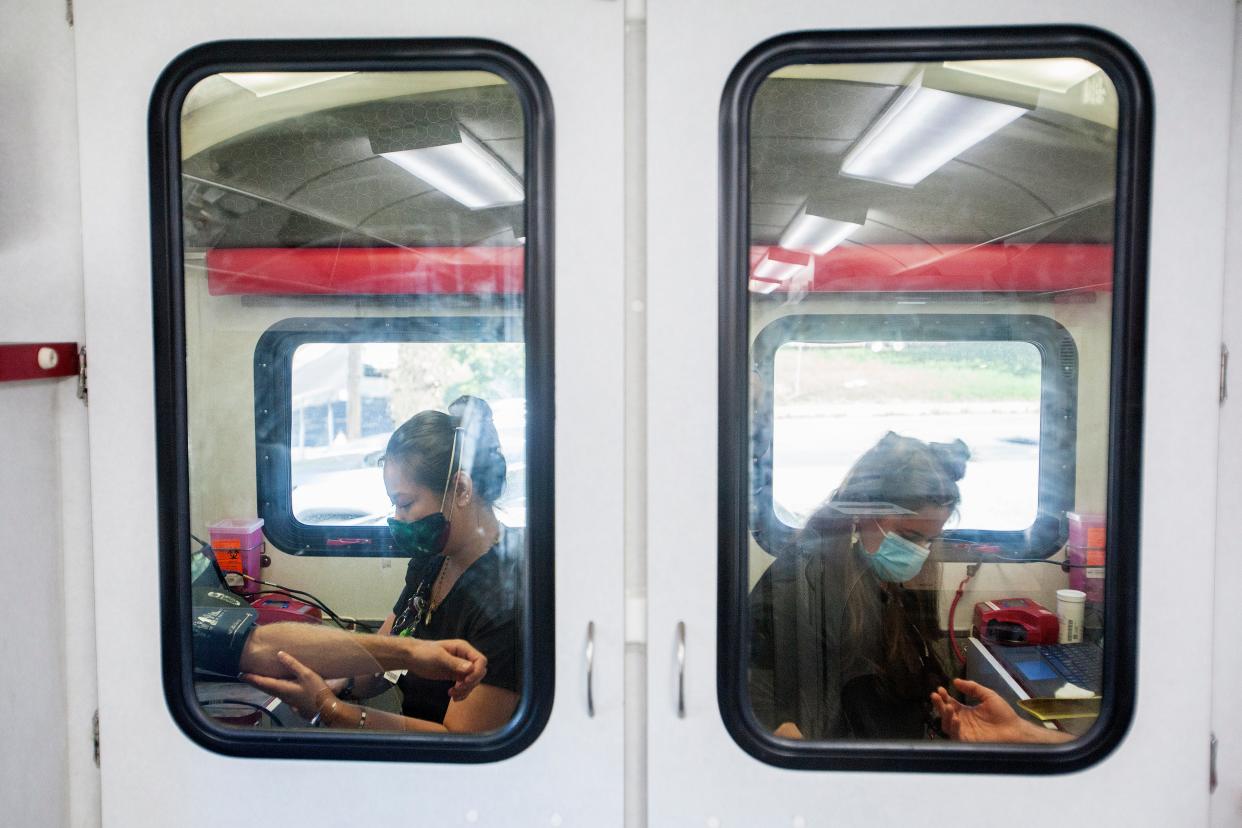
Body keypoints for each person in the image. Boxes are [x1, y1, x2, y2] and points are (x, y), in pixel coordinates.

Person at [247, 395, 520, 733]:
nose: (397, 518)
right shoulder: (432, 563)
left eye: (405, 503)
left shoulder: (508, 602)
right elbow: (383, 660)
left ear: (460, 489)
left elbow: (459, 742)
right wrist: (338, 683)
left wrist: (330, 708)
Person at [748, 431, 970, 740]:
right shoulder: (801, 586)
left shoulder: (880, 576)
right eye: (909, 537)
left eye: (929, 540)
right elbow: (766, 706)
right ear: (864, 510)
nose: (921, 552)